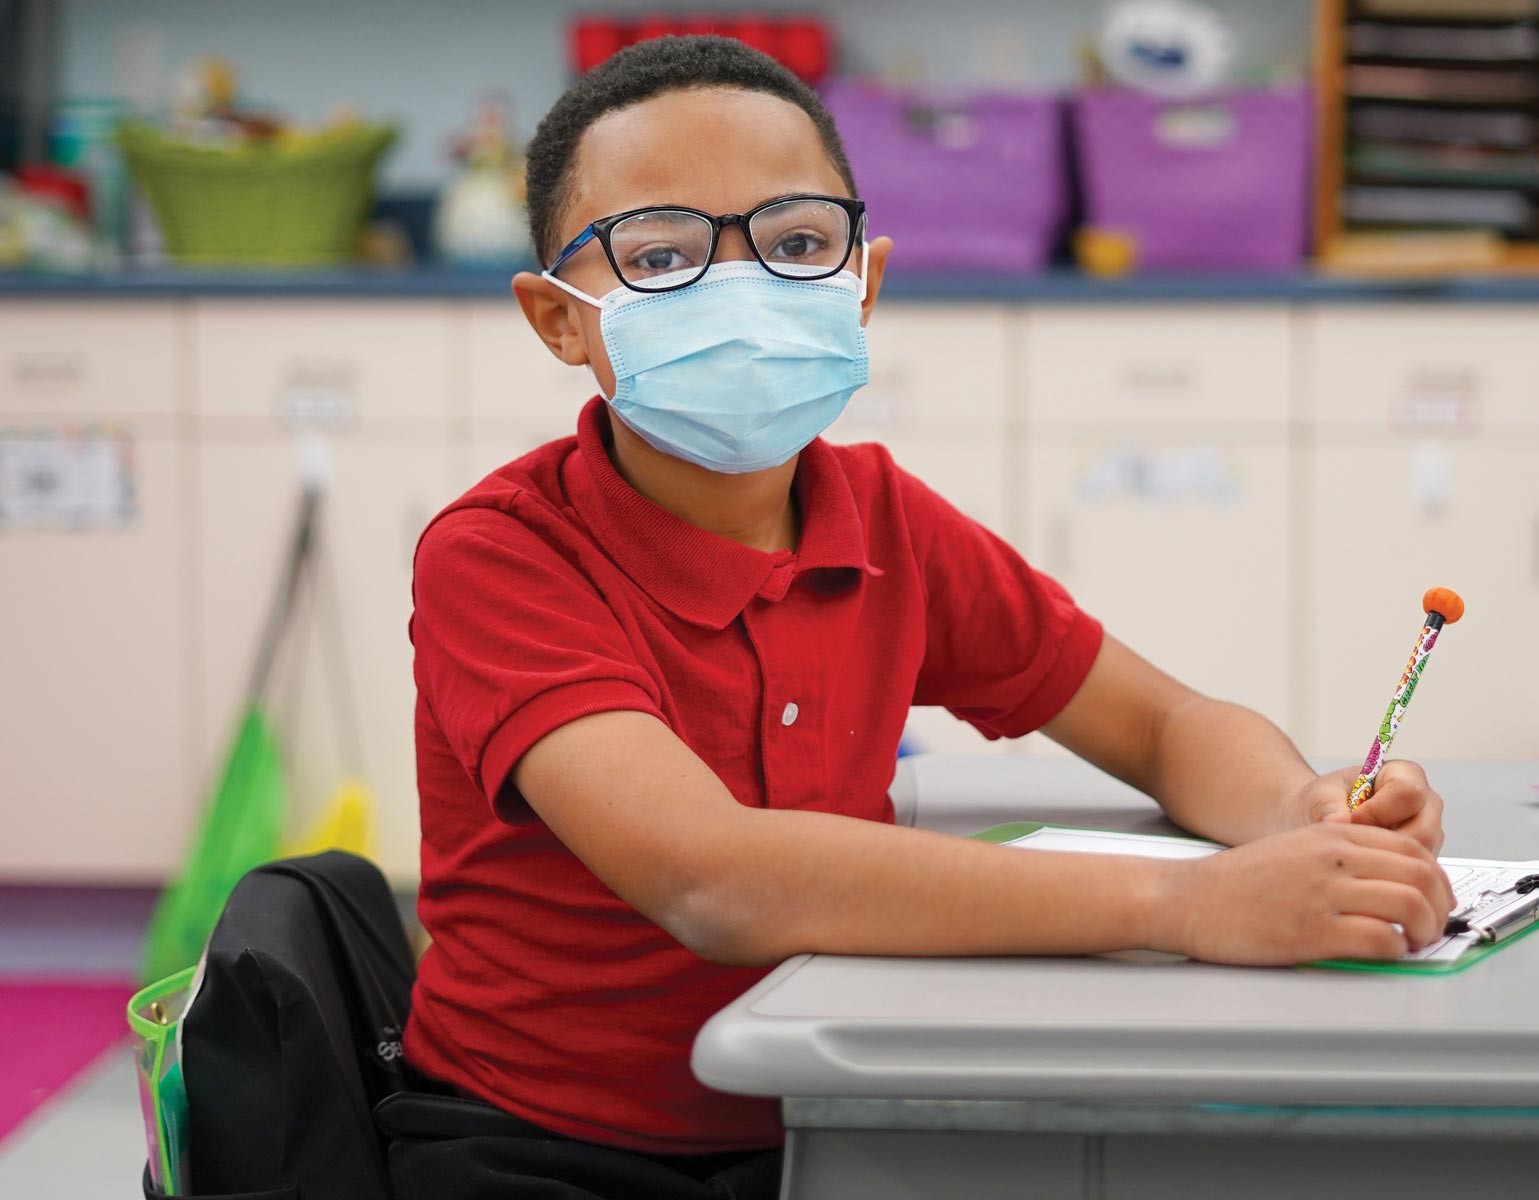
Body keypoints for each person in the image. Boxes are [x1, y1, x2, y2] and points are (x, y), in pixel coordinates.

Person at [401, 33, 1453, 1198]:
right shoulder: (502, 557)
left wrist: (1296, 813)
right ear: (556, 319)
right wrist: (1191, 902)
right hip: (544, 1146)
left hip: (827, 1101)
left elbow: (1162, 726)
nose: (743, 288)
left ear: (865, 278)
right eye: (661, 256)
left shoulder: (882, 520)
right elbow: (709, 879)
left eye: (797, 242)